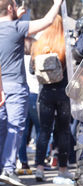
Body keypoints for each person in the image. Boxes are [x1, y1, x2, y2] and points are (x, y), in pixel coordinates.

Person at [0, 0, 62, 186]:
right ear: (10, 8)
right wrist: (57, 3)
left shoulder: (11, 27)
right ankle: (9, 168)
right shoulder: (17, 27)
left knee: (3, 128)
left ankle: (4, 167)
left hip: (1, 86)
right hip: (16, 86)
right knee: (16, 127)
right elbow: (48, 20)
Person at [32, 15, 73, 181]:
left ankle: (40, 168)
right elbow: (72, 69)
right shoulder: (65, 44)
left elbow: (31, 70)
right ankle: (63, 168)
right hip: (63, 93)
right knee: (63, 131)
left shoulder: (40, 43)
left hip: (45, 94)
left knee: (44, 131)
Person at [17, 36, 40, 173]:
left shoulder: (18, 60)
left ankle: (23, 161)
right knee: (40, 130)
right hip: (36, 94)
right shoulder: (34, 59)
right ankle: (39, 160)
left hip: (23, 95)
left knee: (23, 132)